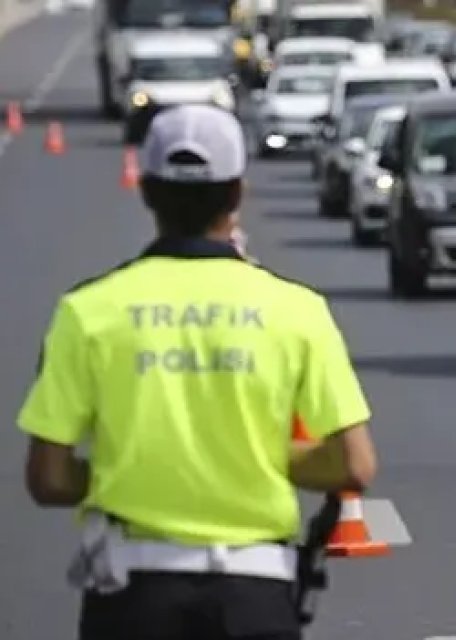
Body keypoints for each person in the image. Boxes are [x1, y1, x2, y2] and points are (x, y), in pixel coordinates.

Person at [17, 104, 378, 640]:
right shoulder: (297, 310)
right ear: (237, 194)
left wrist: (138, 468)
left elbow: (47, 477)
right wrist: (248, 458)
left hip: (133, 593)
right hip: (255, 595)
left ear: (145, 189)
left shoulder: (88, 311)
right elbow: (354, 464)